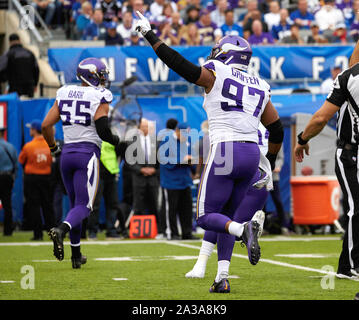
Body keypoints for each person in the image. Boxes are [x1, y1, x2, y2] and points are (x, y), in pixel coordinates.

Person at [135, 13, 283, 291]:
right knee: (227, 215)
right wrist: (269, 164)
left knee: (206, 217)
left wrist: (150, 35)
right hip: (252, 155)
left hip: (226, 149)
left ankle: (244, 230)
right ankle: (221, 278)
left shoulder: (217, 72)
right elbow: (277, 130)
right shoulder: (260, 85)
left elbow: (181, 66)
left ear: (224, 54)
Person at [41, 57, 120, 269]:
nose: (103, 79)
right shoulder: (99, 95)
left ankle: (76, 256)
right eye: (100, 75)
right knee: (84, 207)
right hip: (87, 155)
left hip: (66, 155)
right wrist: (118, 142)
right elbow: (103, 130)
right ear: (91, 76)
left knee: (76, 205)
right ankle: (61, 230)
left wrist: (53, 148)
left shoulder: (64, 91)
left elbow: (46, 125)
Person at [293, 51, 359, 279]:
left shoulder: (348, 78)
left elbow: (321, 118)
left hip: (351, 150)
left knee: (355, 208)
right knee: (356, 207)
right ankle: (350, 265)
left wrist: (302, 140)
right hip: (352, 156)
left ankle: (347, 265)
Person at [186, 123, 272, 284]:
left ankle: (203, 264)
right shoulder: (263, 121)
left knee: (220, 219)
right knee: (226, 219)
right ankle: (219, 274)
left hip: (234, 162)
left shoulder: (240, 119)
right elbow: (277, 135)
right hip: (260, 173)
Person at [158, 122, 198, 240]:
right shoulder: (166, 141)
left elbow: (190, 159)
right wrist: (181, 160)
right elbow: (163, 159)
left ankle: (187, 233)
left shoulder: (187, 142)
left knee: (186, 209)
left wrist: (192, 163)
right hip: (171, 182)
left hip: (184, 181)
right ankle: (172, 233)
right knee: (171, 209)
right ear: (177, 131)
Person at [18, 120, 55, 241]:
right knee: (48, 206)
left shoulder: (29, 146)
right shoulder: (49, 144)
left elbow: (21, 160)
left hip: (32, 178)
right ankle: (52, 233)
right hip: (46, 178)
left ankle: (37, 234)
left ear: (34, 130)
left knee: (34, 206)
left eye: (31, 129)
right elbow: (52, 161)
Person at [88, 140, 122, 239]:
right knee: (95, 204)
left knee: (113, 203)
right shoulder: (92, 135)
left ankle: (111, 231)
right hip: (97, 174)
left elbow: (118, 150)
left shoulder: (111, 135)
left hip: (111, 173)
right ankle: (92, 231)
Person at [127, 118, 160, 220]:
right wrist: (141, 170)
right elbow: (129, 161)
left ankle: (157, 229)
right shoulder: (132, 141)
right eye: (143, 127)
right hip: (138, 178)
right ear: (138, 128)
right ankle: (138, 229)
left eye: (147, 127)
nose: (145, 129)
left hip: (153, 178)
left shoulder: (156, 141)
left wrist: (154, 170)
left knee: (154, 204)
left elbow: (160, 160)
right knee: (138, 205)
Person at [0, 125, 18, 236]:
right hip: (7, 177)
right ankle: (8, 230)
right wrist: (13, 177)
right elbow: (15, 165)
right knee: (7, 204)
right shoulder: (10, 147)